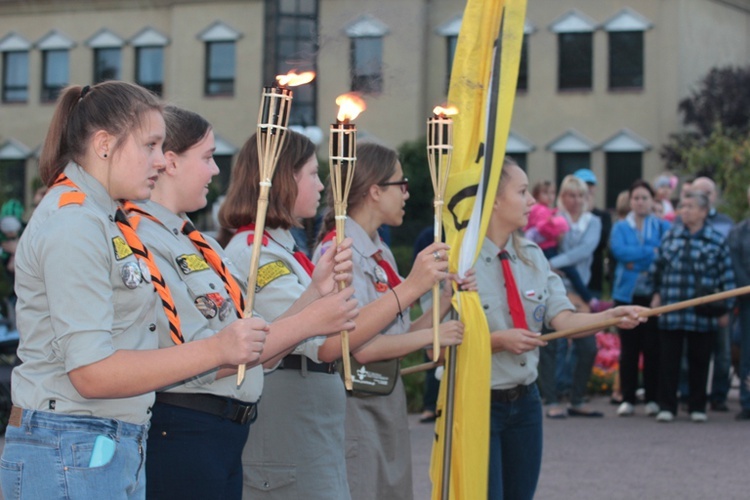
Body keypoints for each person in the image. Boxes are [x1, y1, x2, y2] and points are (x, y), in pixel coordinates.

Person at [0, 82, 268, 500]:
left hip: (100, 441)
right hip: (73, 441)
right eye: (151, 145)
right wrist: (218, 349)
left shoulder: (103, 219)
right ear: (105, 144)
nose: (161, 161)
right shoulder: (75, 224)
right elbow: (91, 373)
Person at [126, 106, 358, 499]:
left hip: (223, 433)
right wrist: (314, 320)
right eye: (207, 157)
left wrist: (313, 294)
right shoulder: (144, 242)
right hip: (185, 426)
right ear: (171, 162)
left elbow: (257, 350)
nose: (216, 170)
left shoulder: (199, 243)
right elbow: (203, 359)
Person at [219, 131, 448, 499]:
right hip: (292, 419)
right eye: (312, 173)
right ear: (283, 179)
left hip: (314, 420)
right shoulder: (256, 253)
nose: (324, 184)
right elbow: (328, 343)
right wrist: (411, 288)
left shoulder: (285, 250)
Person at [477, 157, 645, 499]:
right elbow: (440, 340)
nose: (532, 201)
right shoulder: (458, 261)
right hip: (476, 402)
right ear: (494, 199)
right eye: (523, 192)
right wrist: (494, 341)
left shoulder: (534, 256)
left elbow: (564, 320)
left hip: (525, 403)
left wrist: (612, 316)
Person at [313, 142, 469, 500]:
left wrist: (445, 299)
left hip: (383, 397)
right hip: (356, 402)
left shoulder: (379, 251)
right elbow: (359, 347)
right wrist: (434, 333)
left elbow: (400, 333)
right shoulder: (339, 252)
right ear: (374, 190)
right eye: (401, 184)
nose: (407, 193)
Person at [650, 190, 735, 423]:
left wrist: (725, 308)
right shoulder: (671, 236)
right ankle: (667, 405)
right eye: (682, 206)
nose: (684, 211)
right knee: (668, 361)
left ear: (703, 211)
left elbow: (726, 277)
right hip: (672, 309)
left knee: (700, 360)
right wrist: (656, 293)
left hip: (702, 313)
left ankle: (698, 406)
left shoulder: (716, 240)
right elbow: (657, 269)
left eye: (689, 206)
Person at [544, 175, 607, 418]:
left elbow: (585, 250)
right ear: (563, 196)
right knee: (550, 344)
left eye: (581, 195)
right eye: (571, 194)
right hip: (553, 287)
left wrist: (550, 262)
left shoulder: (594, 222)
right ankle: (551, 400)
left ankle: (577, 398)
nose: (576, 200)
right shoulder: (553, 219)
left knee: (588, 346)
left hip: (579, 292)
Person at [609, 180, 671, 417]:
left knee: (653, 348)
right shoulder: (620, 227)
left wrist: (638, 260)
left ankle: (652, 398)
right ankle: (628, 397)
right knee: (629, 349)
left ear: (652, 200)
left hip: (652, 296)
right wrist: (649, 253)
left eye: (645, 197)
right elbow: (620, 252)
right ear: (630, 200)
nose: (640, 202)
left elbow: (663, 254)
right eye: (636, 198)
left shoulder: (662, 226)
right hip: (626, 294)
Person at [691, 176, 734, 412]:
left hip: (718, 297)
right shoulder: (682, 224)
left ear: (714, 196)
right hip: (691, 301)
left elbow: (730, 264)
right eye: (699, 192)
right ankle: (689, 395)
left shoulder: (727, 223)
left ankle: (719, 396)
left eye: (708, 192)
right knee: (693, 353)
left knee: (723, 353)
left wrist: (727, 304)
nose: (704, 196)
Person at [728, 185, 750, 421]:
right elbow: (735, 264)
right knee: (748, 351)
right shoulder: (739, 232)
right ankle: (747, 401)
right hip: (748, 302)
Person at [573, 168, 612, 300]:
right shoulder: (565, 218)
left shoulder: (603, 216)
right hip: (569, 281)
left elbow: (600, 242)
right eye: (583, 185)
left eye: (590, 185)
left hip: (594, 278)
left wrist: (588, 214)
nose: (587, 189)